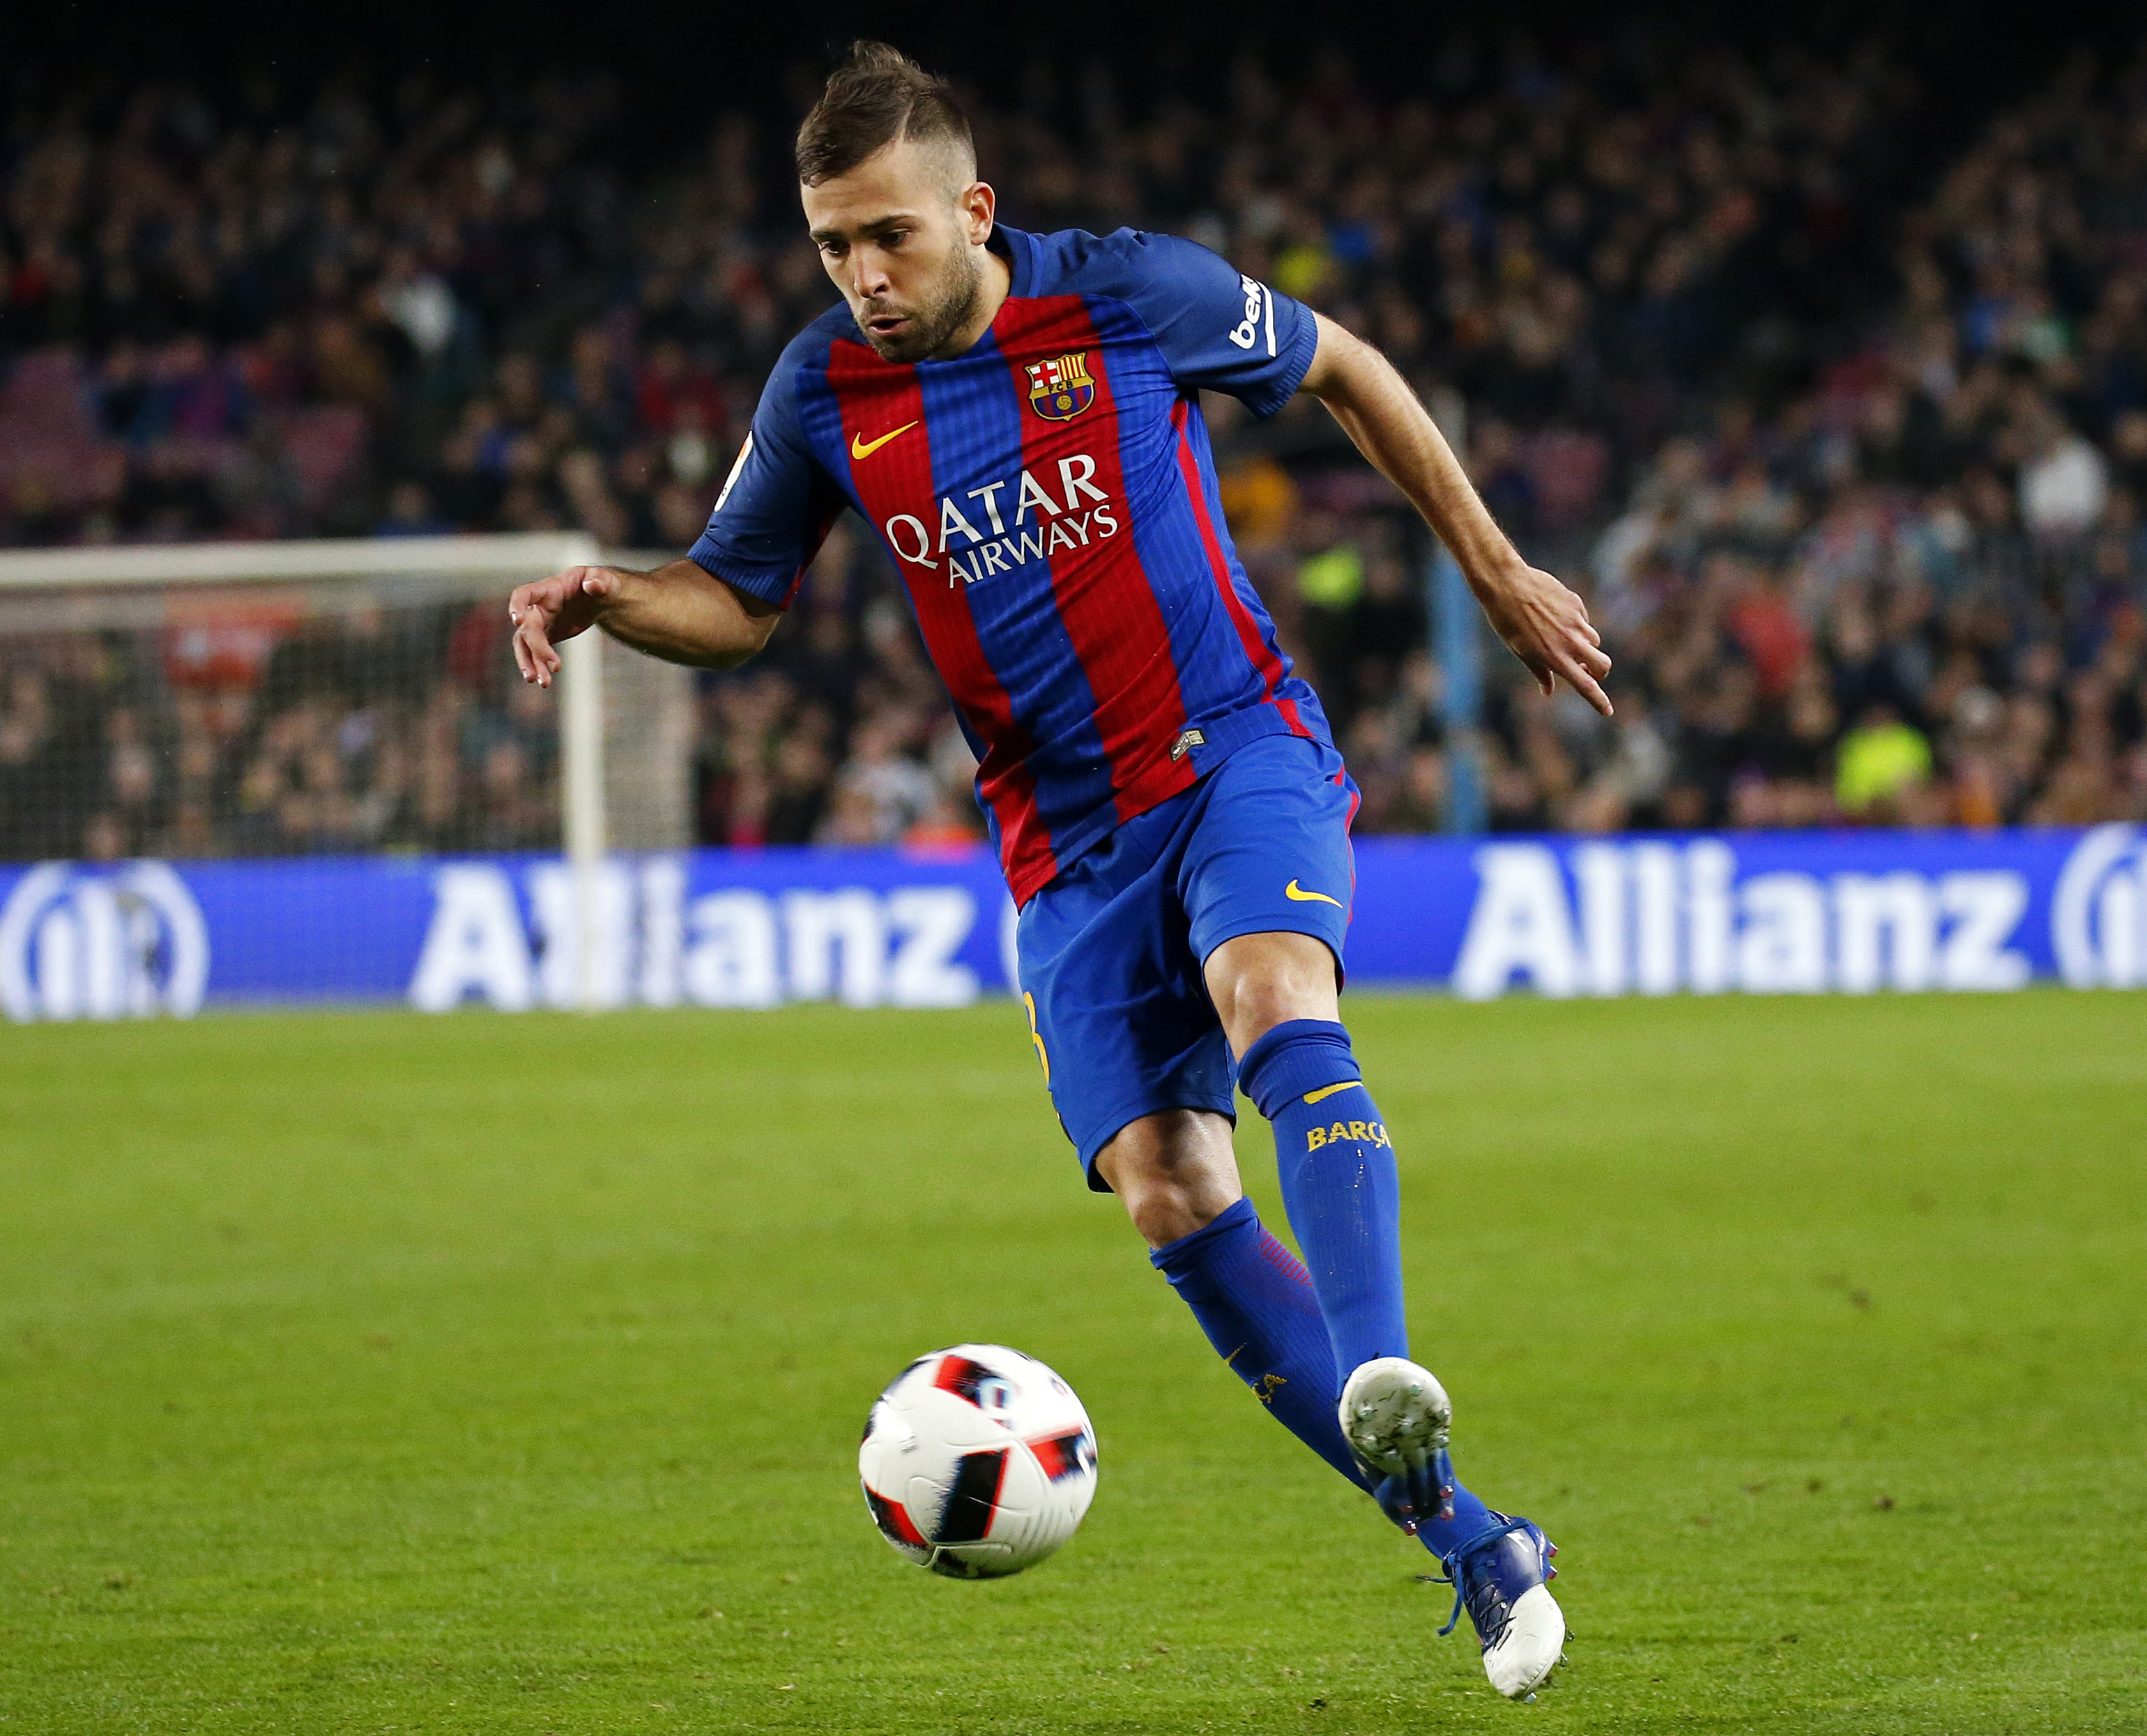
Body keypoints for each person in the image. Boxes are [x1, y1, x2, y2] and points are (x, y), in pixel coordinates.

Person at [508, 42, 1610, 1700]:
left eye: (890, 235)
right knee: (1171, 1186)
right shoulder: (820, 392)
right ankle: (1473, 1539)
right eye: (831, 247)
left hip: (1235, 748)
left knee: (1268, 986)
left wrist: (1503, 567)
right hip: (1064, 844)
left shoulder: (1133, 296)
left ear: (974, 208)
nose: (865, 277)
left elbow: (1352, 370)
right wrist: (612, 597)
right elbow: (737, 602)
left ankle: (1383, 1359)